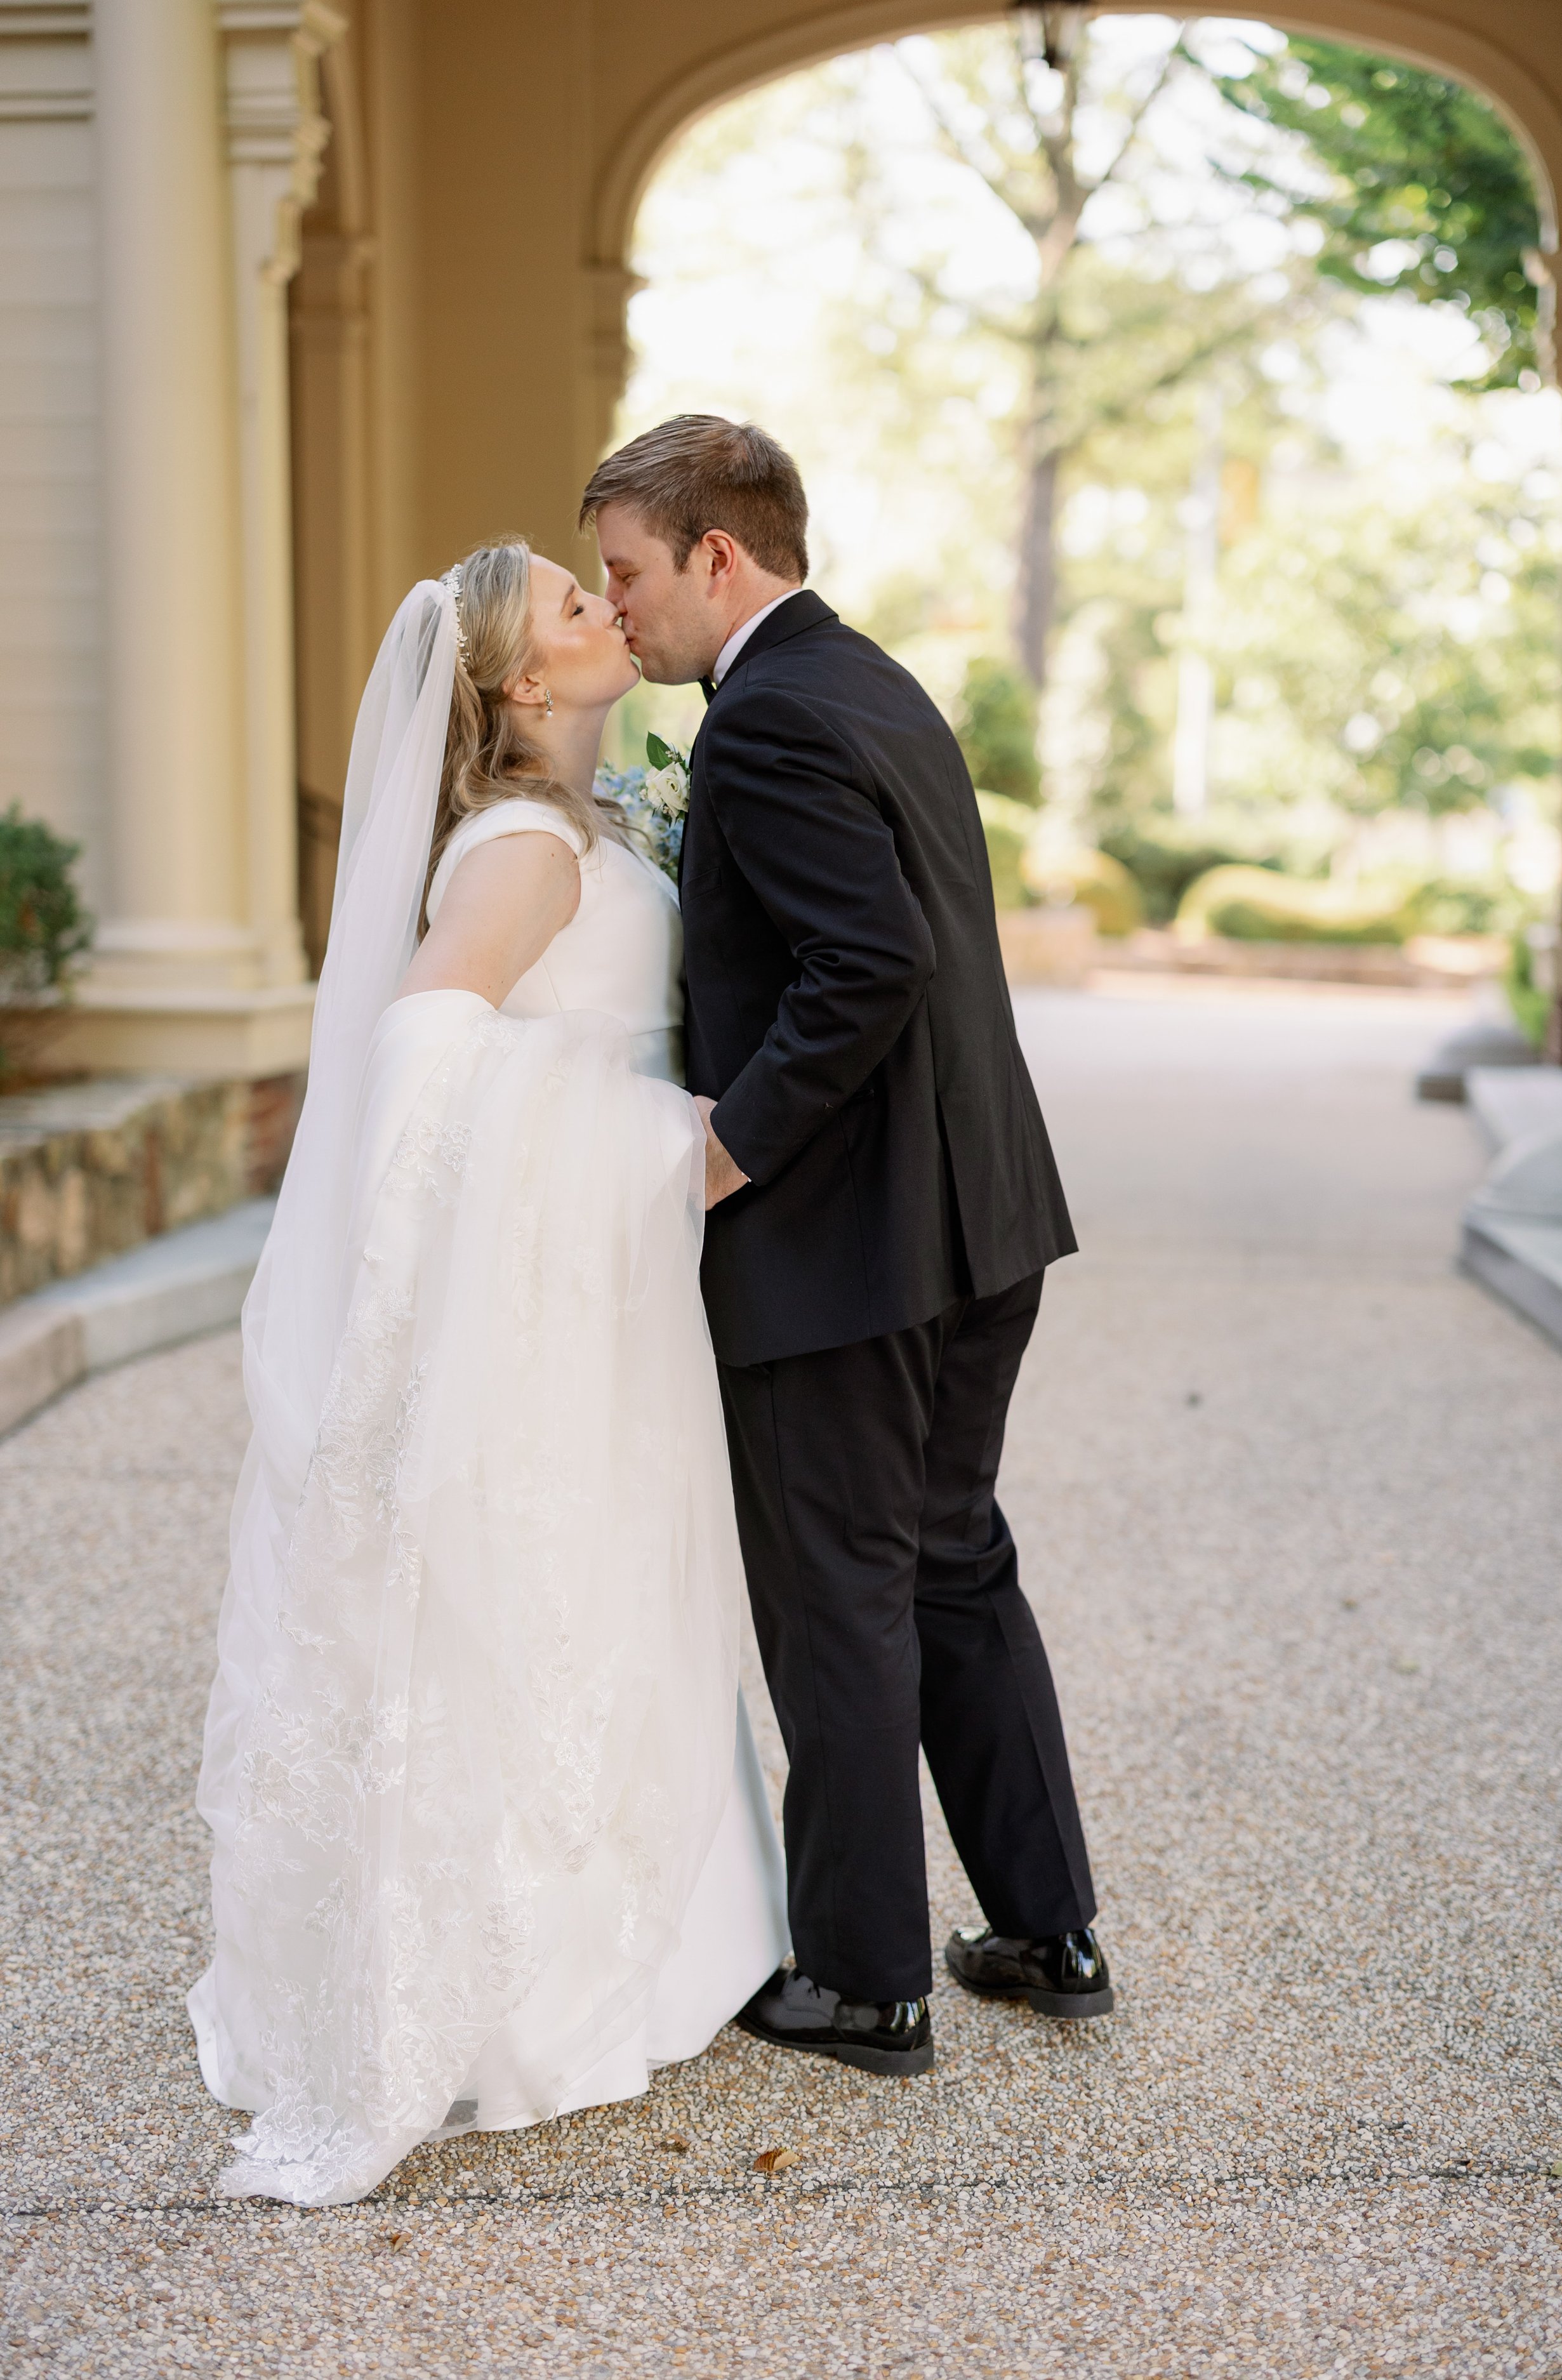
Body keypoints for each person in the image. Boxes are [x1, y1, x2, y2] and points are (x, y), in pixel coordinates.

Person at [188, 539, 790, 2207]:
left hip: (602, 1282)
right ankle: (519, 1989)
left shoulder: (591, 827)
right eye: (575, 610)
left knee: (610, 1577)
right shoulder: (522, 847)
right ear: (523, 685)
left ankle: (673, 1932)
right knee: (540, 1583)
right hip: (553, 1273)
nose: (609, 613)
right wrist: (654, 1138)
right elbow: (426, 1040)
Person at [583, 416, 1113, 2079]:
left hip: (843, 1252)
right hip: (979, 1224)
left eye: (627, 571)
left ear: (716, 554)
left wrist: (721, 1154)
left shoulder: (761, 725)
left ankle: (867, 1984)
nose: (619, 608)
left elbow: (865, 963)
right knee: (950, 1562)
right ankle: (1044, 1933)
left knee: (841, 1602)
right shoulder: (869, 680)